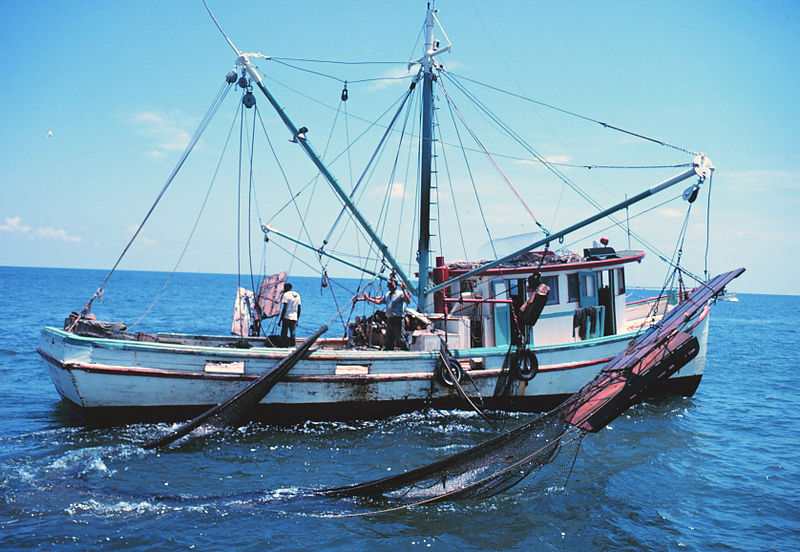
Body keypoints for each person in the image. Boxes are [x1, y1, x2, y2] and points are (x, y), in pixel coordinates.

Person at [353, 277, 411, 350]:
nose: (389, 286)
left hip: (398, 320)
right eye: (388, 284)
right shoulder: (387, 294)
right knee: (389, 339)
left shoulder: (401, 293)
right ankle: (389, 354)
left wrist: (404, 289)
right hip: (389, 320)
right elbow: (379, 301)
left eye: (390, 284)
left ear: (395, 284)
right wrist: (368, 299)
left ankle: (406, 353)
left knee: (400, 339)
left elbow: (408, 301)